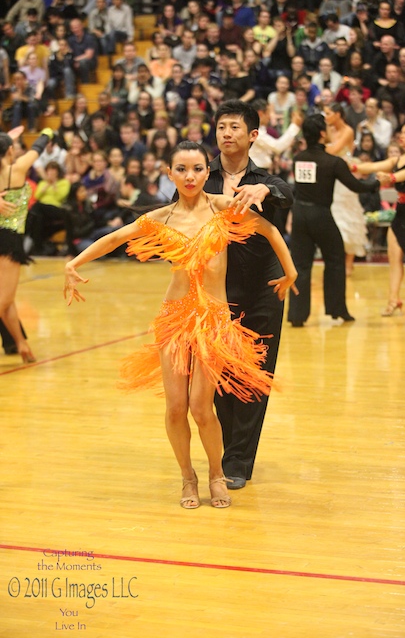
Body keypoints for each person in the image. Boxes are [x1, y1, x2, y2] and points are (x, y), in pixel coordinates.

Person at [63, 141, 298, 509]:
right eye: (182, 169)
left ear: (208, 172)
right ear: (168, 173)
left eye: (198, 169)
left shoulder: (224, 208)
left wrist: (291, 271)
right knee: (175, 407)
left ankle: (216, 474)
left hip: (213, 320)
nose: (190, 176)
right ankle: (187, 477)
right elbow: (115, 237)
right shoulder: (162, 218)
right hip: (174, 318)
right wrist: (73, 263)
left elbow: (269, 231)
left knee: (202, 407)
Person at [203, 100, 295, 489]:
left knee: (255, 375)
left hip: (263, 287)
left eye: (235, 127)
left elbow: (285, 193)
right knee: (219, 373)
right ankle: (227, 446)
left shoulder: (267, 181)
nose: (227, 133)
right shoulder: (201, 178)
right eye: (222, 126)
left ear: (253, 135)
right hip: (215, 290)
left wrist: (263, 187)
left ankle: (239, 459)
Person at [287, 114, 380, 328]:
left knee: (301, 265)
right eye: (327, 128)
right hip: (321, 215)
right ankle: (337, 310)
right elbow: (356, 186)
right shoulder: (333, 162)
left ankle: (297, 315)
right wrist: (376, 185)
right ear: (321, 134)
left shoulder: (298, 159)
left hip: (300, 214)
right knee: (336, 259)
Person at [350, 124, 405, 315]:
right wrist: (350, 166)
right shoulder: (396, 160)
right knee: (394, 260)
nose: (403, 136)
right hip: (401, 213)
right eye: (402, 133)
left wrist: (390, 178)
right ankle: (393, 300)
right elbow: (372, 166)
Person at [0, 126, 54, 363]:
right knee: (3, 301)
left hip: (7, 239)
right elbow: (38, 147)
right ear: (10, 151)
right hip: (9, 240)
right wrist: (48, 132)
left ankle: (21, 344)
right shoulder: (18, 168)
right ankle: (20, 344)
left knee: (6, 301)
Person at [324, 102, 368, 277]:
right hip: (330, 178)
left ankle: (349, 263)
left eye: (328, 113)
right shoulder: (329, 130)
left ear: (338, 114)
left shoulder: (348, 130)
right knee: (333, 218)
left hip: (345, 178)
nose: (326, 117)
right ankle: (336, 261)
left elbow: (333, 150)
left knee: (349, 218)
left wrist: (318, 148)